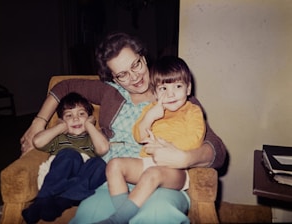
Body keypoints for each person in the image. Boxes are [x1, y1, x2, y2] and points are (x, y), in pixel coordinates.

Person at [20, 32, 227, 223]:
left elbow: (217, 151)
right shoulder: (110, 93)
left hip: (161, 181)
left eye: (136, 64)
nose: (134, 77)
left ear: (143, 57)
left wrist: (185, 158)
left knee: (158, 216)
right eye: (122, 74)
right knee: (88, 216)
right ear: (113, 78)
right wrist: (38, 122)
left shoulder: (173, 95)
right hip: (113, 182)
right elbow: (63, 87)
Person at [97, 56, 206, 224]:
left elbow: (196, 138)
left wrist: (168, 147)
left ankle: (117, 220)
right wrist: (150, 117)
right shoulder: (151, 108)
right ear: (155, 92)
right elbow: (138, 136)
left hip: (176, 170)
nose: (171, 94)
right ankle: (124, 214)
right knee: (114, 165)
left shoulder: (192, 111)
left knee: (152, 173)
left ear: (188, 88)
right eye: (163, 88)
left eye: (178, 86)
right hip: (147, 162)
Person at [22, 92, 109, 223]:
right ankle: (43, 199)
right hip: (56, 180)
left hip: (79, 183)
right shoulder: (60, 139)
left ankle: (62, 202)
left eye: (81, 114)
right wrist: (60, 126)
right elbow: (37, 142)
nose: (75, 119)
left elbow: (103, 149)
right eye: (69, 115)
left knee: (100, 164)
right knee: (70, 154)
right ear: (62, 120)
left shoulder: (92, 139)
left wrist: (90, 126)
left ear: (90, 118)